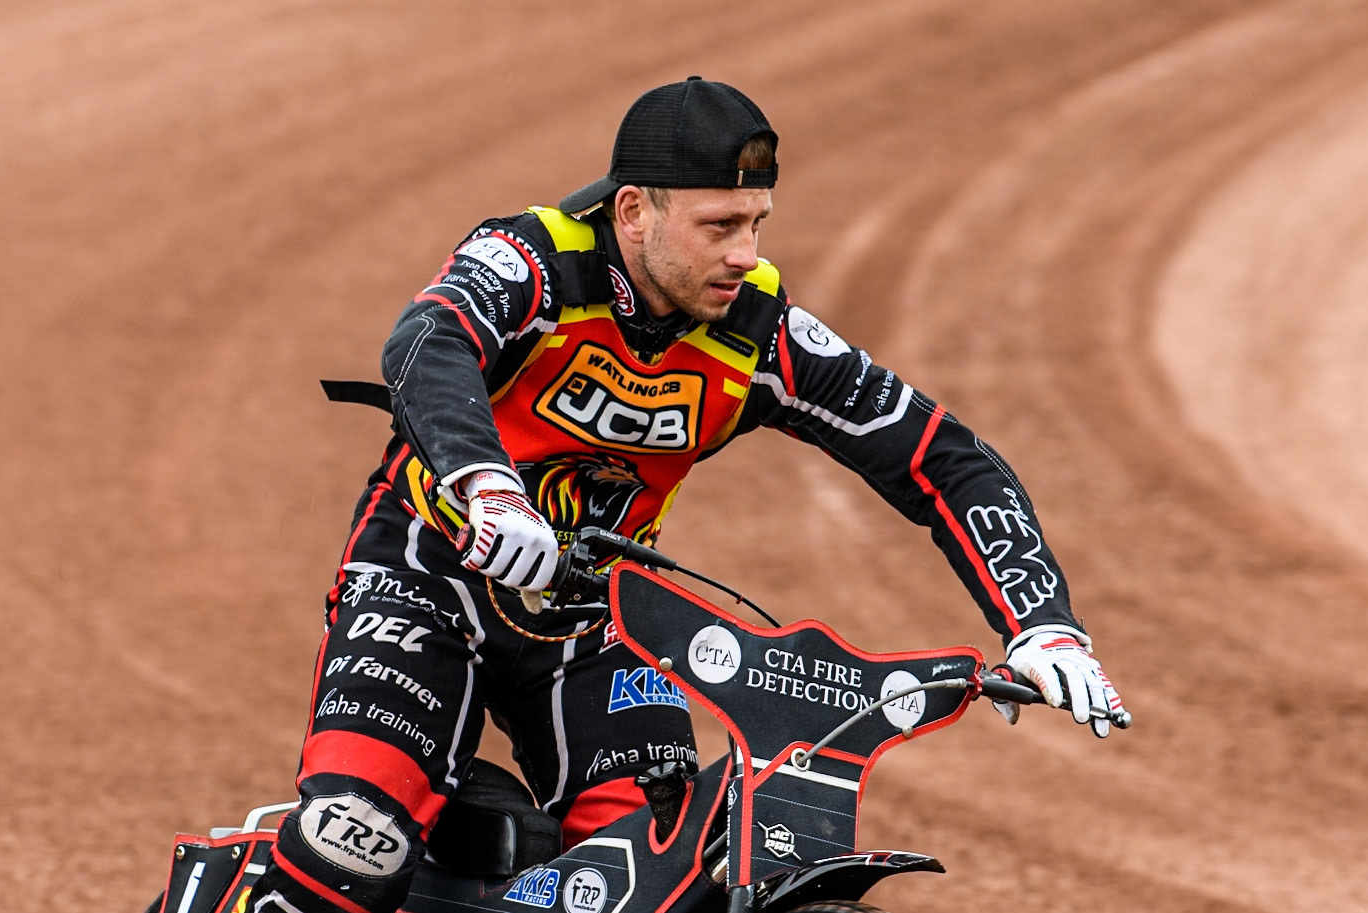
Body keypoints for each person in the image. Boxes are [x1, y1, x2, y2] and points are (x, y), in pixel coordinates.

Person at [249, 76, 1125, 913]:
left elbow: (943, 457)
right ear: (635, 210)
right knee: (353, 841)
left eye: (756, 222)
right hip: (428, 574)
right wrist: (490, 489)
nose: (746, 254)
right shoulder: (535, 259)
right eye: (719, 225)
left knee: (663, 868)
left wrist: (1043, 623)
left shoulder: (759, 328)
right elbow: (425, 341)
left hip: (595, 618)